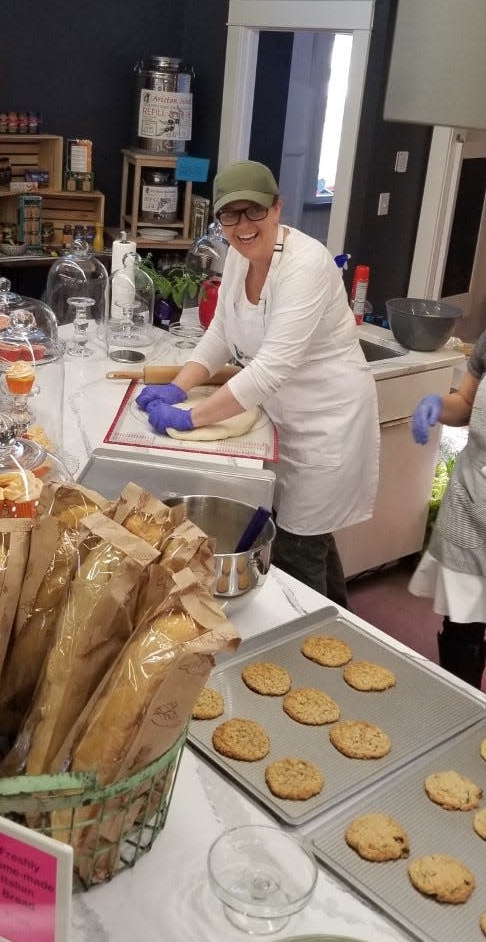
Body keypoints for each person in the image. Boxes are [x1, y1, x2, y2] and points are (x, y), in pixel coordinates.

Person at [136, 160, 380, 607]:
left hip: (328, 421)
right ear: (219, 220)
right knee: (311, 537)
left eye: (255, 212)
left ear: (277, 209)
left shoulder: (306, 264)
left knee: (299, 550)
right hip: (282, 417)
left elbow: (270, 368)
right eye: (231, 214)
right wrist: (180, 386)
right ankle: (345, 622)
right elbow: (221, 334)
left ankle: (312, 654)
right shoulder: (237, 256)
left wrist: (190, 418)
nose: (243, 225)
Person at [408, 329, 486, 688]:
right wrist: (440, 405)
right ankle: (461, 704)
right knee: (462, 625)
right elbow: (467, 404)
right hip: (472, 504)